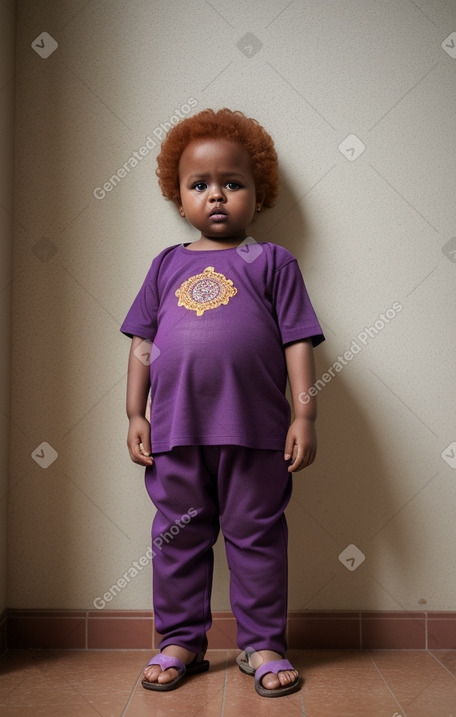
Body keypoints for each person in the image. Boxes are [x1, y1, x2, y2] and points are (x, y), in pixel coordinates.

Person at [121, 108, 324, 698]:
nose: (216, 197)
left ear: (258, 194)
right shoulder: (165, 265)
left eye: (233, 184)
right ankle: (180, 640)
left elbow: (298, 341)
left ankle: (263, 644)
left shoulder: (274, 263)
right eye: (199, 185)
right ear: (177, 196)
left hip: (257, 433)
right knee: (178, 540)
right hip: (175, 434)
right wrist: (135, 413)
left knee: (256, 538)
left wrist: (304, 414)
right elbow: (142, 343)